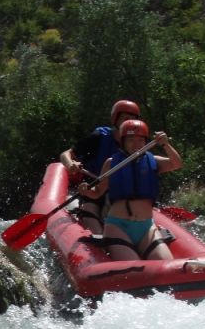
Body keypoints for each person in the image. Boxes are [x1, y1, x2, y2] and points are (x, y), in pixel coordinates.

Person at [78, 119, 182, 261]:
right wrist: (86, 190)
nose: (136, 144)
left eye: (140, 140)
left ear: (145, 142)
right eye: (131, 140)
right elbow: (97, 193)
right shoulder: (111, 163)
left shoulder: (154, 161)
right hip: (118, 226)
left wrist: (166, 144)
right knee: (134, 268)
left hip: (146, 227)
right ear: (123, 142)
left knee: (167, 266)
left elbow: (176, 164)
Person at [59, 100, 141, 234]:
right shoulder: (99, 137)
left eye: (133, 120)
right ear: (116, 120)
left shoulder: (137, 143)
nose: (129, 123)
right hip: (92, 189)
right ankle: (98, 239)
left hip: (119, 195)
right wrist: (71, 164)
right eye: (126, 119)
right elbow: (65, 154)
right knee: (91, 211)